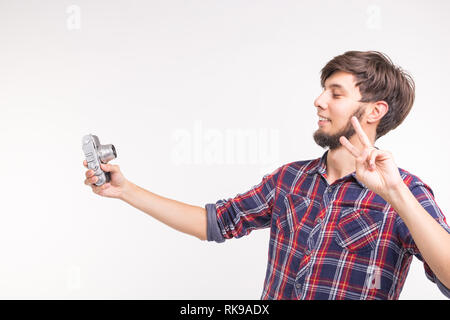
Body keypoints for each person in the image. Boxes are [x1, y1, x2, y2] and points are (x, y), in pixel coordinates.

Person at [83, 51, 450, 300]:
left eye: (335, 94)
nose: (318, 101)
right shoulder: (289, 180)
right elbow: (214, 223)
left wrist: (397, 195)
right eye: (323, 90)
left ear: (374, 111)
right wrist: (126, 190)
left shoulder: (405, 192)